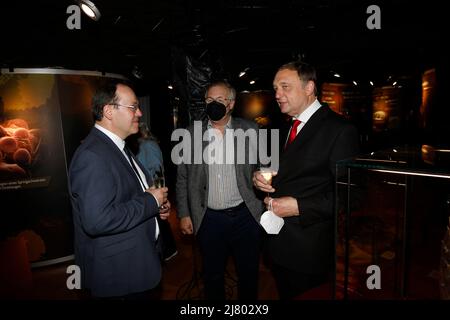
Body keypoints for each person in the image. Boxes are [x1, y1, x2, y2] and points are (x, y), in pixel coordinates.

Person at [253, 61, 359, 300]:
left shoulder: (339, 130)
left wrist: (299, 206)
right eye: (275, 88)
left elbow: (352, 195)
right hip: (278, 243)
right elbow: (281, 170)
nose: (277, 94)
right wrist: (259, 177)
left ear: (309, 87)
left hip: (308, 251)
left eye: (285, 87)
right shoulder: (284, 127)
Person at [68, 80, 170, 299]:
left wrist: (156, 205)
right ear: (108, 111)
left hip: (136, 265)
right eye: (133, 107)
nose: (140, 113)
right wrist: (150, 202)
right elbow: (97, 220)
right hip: (119, 276)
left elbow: (128, 196)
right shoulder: (93, 156)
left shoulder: (118, 146)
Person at [176, 80, 264, 300]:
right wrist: (185, 214)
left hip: (246, 216)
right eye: (208, 100)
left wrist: (262, 177)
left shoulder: (250, 129)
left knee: (249, 274)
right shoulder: (190, 134)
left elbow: (263, 166)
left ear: (231, 103)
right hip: (209, 219)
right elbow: (182, 178)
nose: (213, 104)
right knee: (212, 277)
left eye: (219, 100)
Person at [137, 122, 178, 261]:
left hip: (153, 193)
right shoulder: (141, 146)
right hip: (149, 194)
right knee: (159, 221)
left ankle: (168, 250)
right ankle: (167, 250)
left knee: (160, 221)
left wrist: (159, 194)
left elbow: (157, 171)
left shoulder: (147, 145)